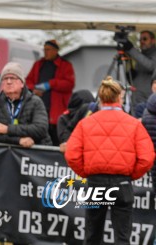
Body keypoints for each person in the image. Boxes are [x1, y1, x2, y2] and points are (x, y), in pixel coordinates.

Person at [66, 77, 154, 245]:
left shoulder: (86, 123)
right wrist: (130, 175)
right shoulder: (133, 124)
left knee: (92, 235)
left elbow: (72, 154)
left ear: (101, 97)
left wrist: (87, 172)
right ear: (119, 98)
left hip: (95, 181)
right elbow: (146, 157)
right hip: (121, 183)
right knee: (122, 238)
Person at [0, 62, 51, 147]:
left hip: (35, 153)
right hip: (5, 153)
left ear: (22, 83)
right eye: (5, 78)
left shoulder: (35, 102)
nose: (8, 82)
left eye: (12, 78)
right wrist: (18, 141)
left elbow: (40, 129)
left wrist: (8, 129)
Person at [25, 39, 75, 145]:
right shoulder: (38, 64)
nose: (45, 52)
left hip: (56, 111)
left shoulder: (65, 65)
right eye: (44, 49)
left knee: (56, 139)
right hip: (38, 108)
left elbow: (69, 84)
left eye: (48, 49)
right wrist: (34, 89)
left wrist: (51, 84)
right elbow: (27, 81)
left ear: (55, 51)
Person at [120, 30, 156, 107]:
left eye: (145, 39)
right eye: (140, 40)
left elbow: (151, 66)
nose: (142, 42)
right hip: (137, 97)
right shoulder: (141, 54)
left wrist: (131, 49)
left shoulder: (153, 54)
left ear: (153, 40)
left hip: (147, 99)